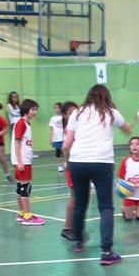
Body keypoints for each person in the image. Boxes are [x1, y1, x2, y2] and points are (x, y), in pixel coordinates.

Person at [63, 85, 131, 262]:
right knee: (106, 206)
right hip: (102, 162)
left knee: (80, 204)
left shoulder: (76, 113)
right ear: (106, 97)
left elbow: (66, 144)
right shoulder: (111, 113)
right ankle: (106, 252)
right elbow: (127, 129)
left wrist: (67, 161)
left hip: (77, 162)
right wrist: (128, 127)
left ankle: (79, 242)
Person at [11, 99, 45, 226]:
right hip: (23, 161)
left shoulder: (25, 124)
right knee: (25, 188)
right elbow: (17, 143)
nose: (35, 112)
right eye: (33, 109)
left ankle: (21, 213)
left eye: (36, 109)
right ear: (26, 110)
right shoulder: (21, 123)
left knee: (20, 187)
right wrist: (20, 161)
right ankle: (28, 216)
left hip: (24, 160)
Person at [60, 101, 79, 241]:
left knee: (78, 197)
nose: (74, 114)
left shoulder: (78, 127)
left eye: (76, 111)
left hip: (79, 163)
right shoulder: (69, 129)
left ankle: (74, 226)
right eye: (70, 112)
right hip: (73, 164)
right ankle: (67, 228)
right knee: (74, 197)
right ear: (65, 115)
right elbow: (65, 147)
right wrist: (66, 161)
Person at [49, 102, 64, 172]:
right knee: (58, 152)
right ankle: (59, 166)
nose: (57, 109)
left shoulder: (64, 117)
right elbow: (51, 129)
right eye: (55, 108)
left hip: (64, 137)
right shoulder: (53, 118)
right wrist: (51, 138)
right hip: (57, 138)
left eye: (58, 108)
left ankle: (66, 164)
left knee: (65, 152)